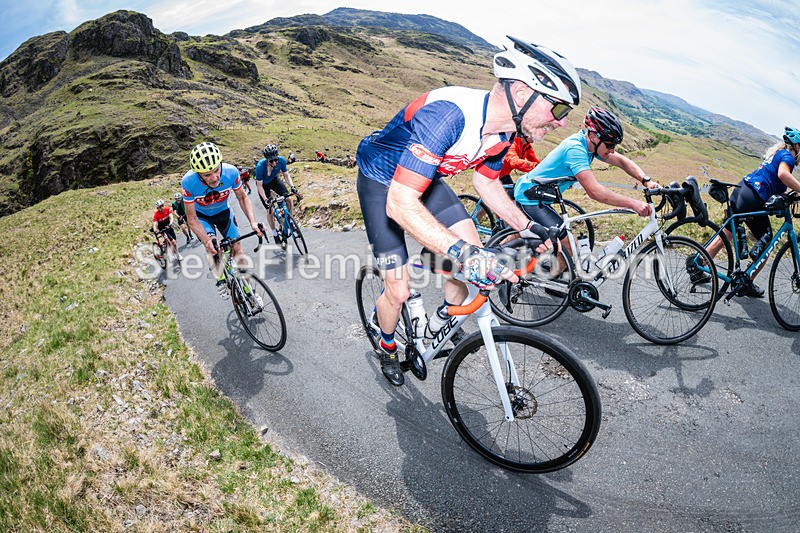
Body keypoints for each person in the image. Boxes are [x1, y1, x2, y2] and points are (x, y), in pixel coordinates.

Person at [356, 35, 580, 386]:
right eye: (559, 109)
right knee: (400, 290)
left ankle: (438, 325)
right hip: (382, 182)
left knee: (470, 262)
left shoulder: (504, 131)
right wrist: (463, 253)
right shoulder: (449, 116)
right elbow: (399, 203)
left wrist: (527, 227)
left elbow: (487, 184)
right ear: (522, 94)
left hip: (425, 180)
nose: (562, 123)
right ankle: (386, 346)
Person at [514, 106, 659, 259]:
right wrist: (633, 204)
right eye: (609, 145)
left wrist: (646, 180)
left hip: (541, 195)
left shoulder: (590, 147)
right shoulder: (575, 150)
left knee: (519, 236)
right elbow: (595, 191)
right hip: (531, 197)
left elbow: (622, 161)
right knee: (568, 246)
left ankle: (503, 254)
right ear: (594, 137)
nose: (612, 150)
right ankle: (553, 280)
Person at [698, 126, 800, 297]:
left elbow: (775, 182)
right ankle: (747, 282)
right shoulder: (788, 157)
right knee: (767, 243)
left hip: (742, 190)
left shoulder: (777, 154)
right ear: (797, 147)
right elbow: (783, 175)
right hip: (753, 198)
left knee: (726, 234)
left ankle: (698, 265)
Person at [181, 142, 263, 299]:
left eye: (216, 171)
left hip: (223, 212)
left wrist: (253, 222)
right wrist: (206, 241)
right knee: (213, 247)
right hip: (202, 218)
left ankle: (249, 292)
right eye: (207, 175)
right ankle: (220, 279)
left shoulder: (231, 172)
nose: (214, 177)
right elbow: (191, 219)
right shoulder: (188, 182)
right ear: (198, 173)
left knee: (238, 250)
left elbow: (242, 197)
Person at [255, 144, 299, 245]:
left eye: (275, 160)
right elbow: (259, 186)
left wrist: (292, 187)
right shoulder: (260, 167)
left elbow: (286, 175)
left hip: (274, 181)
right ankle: (274, 233)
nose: (274, 163)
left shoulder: (282, 160)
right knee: (270, 210)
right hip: (264, 186)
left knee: (288, 199)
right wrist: (266, 199)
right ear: (267, 160)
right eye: (271, 161)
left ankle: (290, 220)